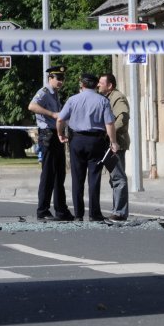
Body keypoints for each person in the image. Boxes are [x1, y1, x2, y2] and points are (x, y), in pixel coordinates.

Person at [57, 73, 118, 221]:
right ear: (96, 85)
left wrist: (60, 134)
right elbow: (109, 123)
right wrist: (113, 141)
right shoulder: (103, 101)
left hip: (76, 140)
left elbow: (60, 119)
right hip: (96, 141)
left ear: (82, 85)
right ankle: (94, 213)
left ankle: (78, 214)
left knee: (77, 178)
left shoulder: (72, 100)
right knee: (94, 178)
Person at [28, 66, 74, 221]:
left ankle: (61, 210)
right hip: (47, 134)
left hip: (56, 135)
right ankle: (43, 210)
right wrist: (52, 114)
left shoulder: (55, 94)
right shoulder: (45, 92)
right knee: (48, 174)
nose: (61, 81)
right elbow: (32, 106)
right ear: (50, 78)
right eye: (58, 78)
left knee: (59, 174)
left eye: (62, 78)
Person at [98, 73, 131, 220]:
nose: (98, 85)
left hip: (116, 143)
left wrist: (109, 132)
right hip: (110, 143)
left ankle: (120, 212)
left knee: (118, 178)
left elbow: (123, 117)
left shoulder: (118, 97)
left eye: (101, 83)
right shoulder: (107, 98)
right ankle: (117, 210)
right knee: (114, 179)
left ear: (110, 85)